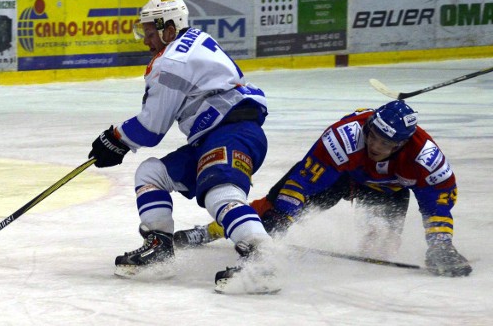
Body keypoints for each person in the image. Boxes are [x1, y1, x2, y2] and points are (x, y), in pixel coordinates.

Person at [87, 0, 279, 294]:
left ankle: (263, 260)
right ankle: (159, 248)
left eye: (150, 32)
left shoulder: (172, 61)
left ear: (169, 29)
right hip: (218, 135)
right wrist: (119, 141)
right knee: (151, 174)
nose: (145, 40)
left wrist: (114, 138)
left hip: (233, 133)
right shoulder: (192, 39)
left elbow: (151, 129)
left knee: (220, 194)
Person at [174, 101, 472, 278]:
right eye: (374, 137)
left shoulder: (426, 158)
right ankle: (211, 229)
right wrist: (285, 217)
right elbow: (301, 185)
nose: (375, 146)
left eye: (386, 143)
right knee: (271, 215)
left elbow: (438, 205)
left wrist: (440, 244)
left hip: (385, 190)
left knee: (379, 254)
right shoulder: (343, 138)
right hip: (338, 175)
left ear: (403, 143)